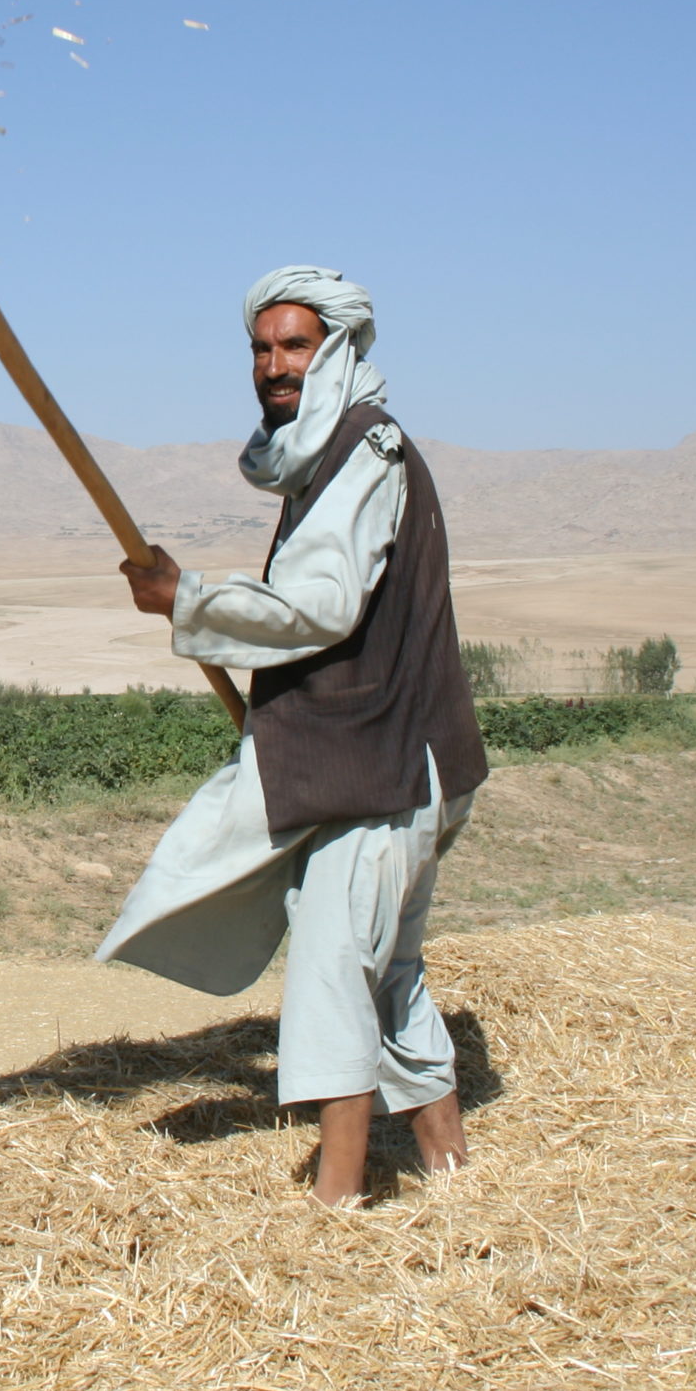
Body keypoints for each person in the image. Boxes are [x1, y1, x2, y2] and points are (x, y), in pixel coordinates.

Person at [101, 266, 488, 1207]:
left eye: (294, 346)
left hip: (385, 770)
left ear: (338, 350)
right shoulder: (323, 453)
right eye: (262, 349)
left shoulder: (365, 453)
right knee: (388, 972)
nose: (275, 365)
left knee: (330, 971)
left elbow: (322, 604)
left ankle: (336, 1204)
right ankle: (451, 1170)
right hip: (391, 763)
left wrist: (188, 600)